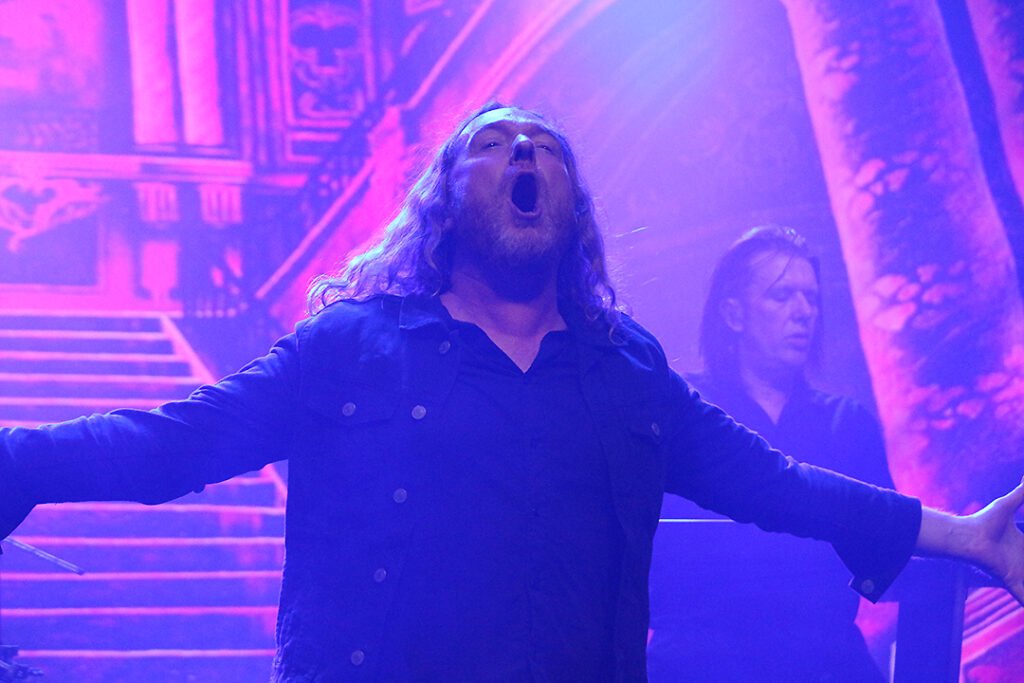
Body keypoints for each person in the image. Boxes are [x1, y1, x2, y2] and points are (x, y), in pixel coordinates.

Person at [2, 104, 1024, 683]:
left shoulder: (626, 372)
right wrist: (19, 459)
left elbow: (776, 483)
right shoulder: (354, 348)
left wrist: (965, 535)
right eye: (491, 145)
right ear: (446, 199)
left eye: (547, 149)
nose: (523, 153)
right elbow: (177, 439)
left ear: (572, 208)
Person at [647, 226, 893, 682]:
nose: (803, 312)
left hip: (825, 660)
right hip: (700, 662)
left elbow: (882, 554)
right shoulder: (685, 411)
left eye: (811, 298)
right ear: (733, 314)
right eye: (782, 296)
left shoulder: (846, 422)